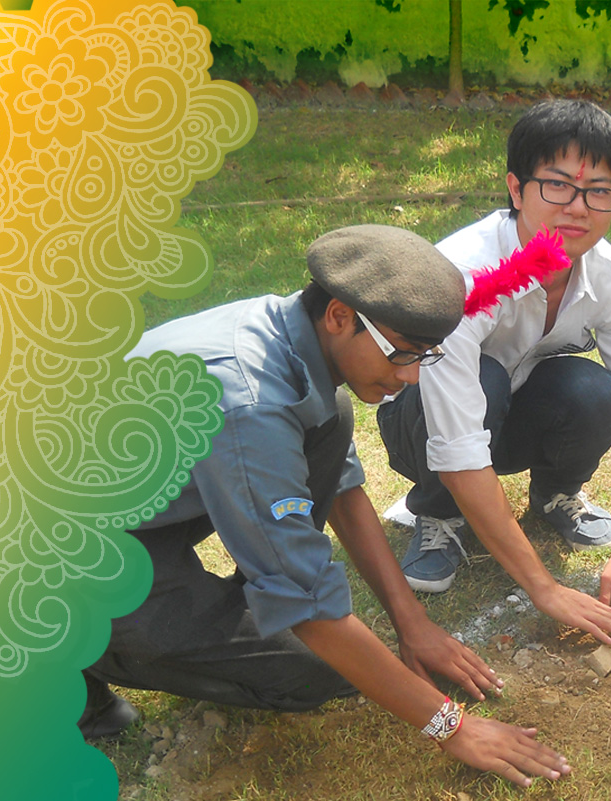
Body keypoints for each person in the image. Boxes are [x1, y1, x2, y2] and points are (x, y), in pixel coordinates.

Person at [81, 225, 571, 787]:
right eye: (401, 353)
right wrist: (451, 726)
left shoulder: (287, 335)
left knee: (332, 417)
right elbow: (310, 608)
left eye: (425, 356)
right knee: (317, 672)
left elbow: (341, 487)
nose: (410, 376)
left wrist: (412, 623)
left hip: (118, 508)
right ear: (340, 315)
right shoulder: (251, 403)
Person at [377, 99, 611, 642]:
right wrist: (545, 588)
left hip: (509, 414)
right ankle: (438, 512)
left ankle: (554, 495)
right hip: (420, 425)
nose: (578, 208)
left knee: (595, 391)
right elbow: (457, 443)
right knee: (485, 377)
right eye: (558, 185)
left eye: (599, 191)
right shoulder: (464, 276)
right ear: (516, 190)